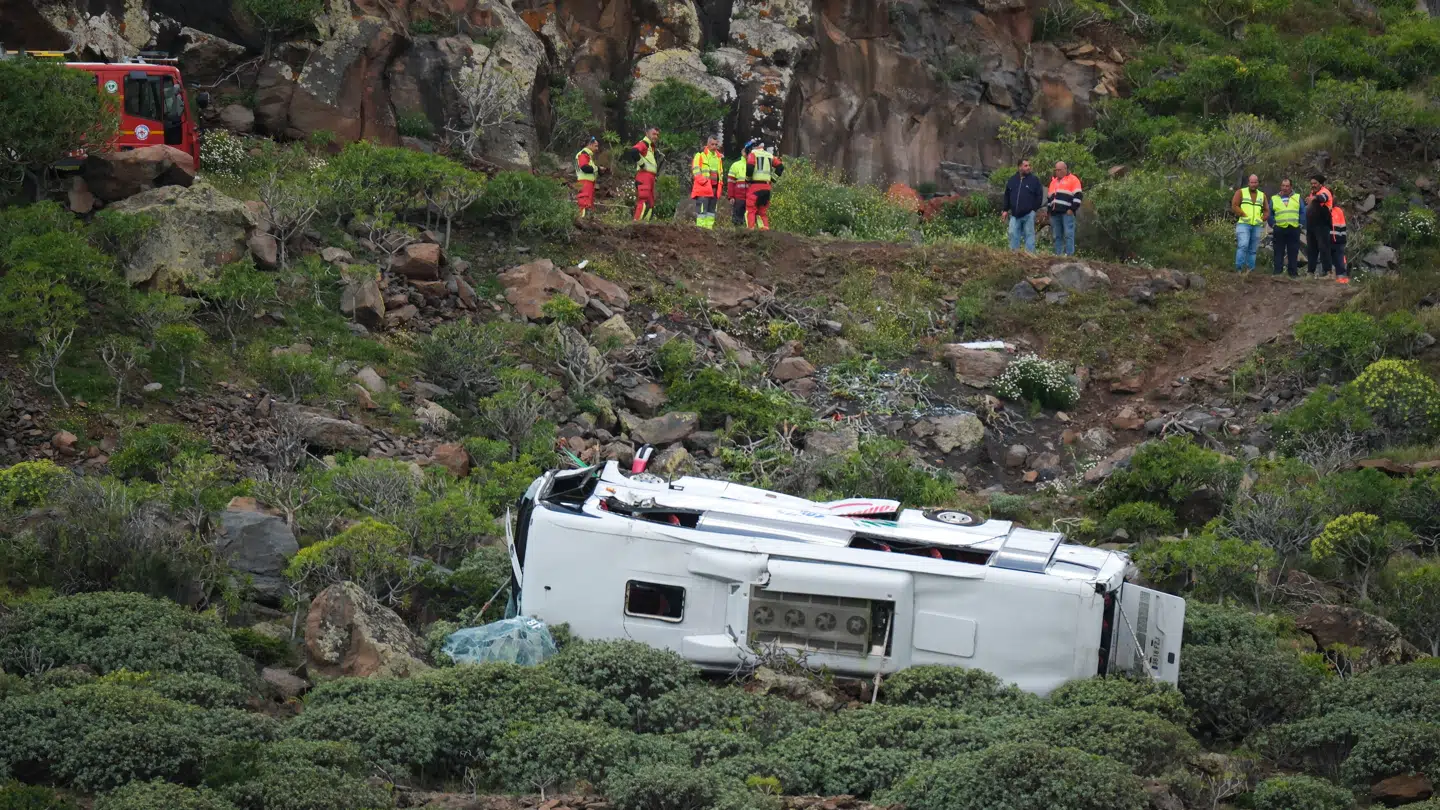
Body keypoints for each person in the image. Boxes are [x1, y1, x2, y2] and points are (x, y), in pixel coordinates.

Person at [1001, 158, 1044, 252]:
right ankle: (1014, 256)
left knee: (1029, 235)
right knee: (1012, 234)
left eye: (1029, 165)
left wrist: (1033, 210)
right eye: (1026, 166)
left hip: (1028, 214)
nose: (1028, 167)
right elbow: (1007, 195)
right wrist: (1005, 210)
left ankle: (1030, 257)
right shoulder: (1012, 180)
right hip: (1014, 215)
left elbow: (1039, 196)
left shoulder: (1034, 180)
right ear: (1020, 167)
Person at [1231, 174, 1269, 273]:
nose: (1253, 184)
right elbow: (1234, 205)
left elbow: (1266, 210)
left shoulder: (1262, 195)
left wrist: (1263, 218)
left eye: (1255, 182)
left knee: (1253, 249)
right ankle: (1239, 269)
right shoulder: (1241, 192)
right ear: (1248, 182)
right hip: (1244, 224)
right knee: (1243, 245)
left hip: (1257, 225)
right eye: (1252, 182)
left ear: (1258, 183)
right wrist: (1242, 214)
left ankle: (1250, 270)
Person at [1268, 178, 1305, 277]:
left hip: (1293, 228)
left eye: (1287, 186)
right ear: (1280, 186)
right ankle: (1277, 273)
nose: (1285, 188)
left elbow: (1302, 211)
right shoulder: (1274, 198)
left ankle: (1293, 273)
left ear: (1291, 187)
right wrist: (1273, 224)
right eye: (1283, 186)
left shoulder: (1297, 197)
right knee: (1278, 251)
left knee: (1293, 251)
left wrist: (1301, 224)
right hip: (1279, 228)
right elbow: (1269, 213)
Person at [624, 126, 661, 222]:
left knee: (650, 204)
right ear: (647, 134)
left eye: (657, 135)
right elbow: (633, 151)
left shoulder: (650, 147)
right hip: (644, 176)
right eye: (653, 134)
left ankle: (645, 227)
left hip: (650, 177)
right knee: (643, 201)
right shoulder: (644, 143)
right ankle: (636, 224)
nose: (656, 136)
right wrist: (642, 164)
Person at [745, 140, 784, 230]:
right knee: (762, 212)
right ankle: (765, 233)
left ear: (752, 147)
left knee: (750, 210)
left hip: (755, 186)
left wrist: (747, 179)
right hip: (767, 188)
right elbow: (781, 167)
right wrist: (773, 179)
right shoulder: (769, 155)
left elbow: (750, 167)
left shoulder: (753, 154)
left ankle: (750, 231)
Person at [1046, 161, 1082, 255]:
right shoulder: (1053, 182)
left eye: (1060, 170)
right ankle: (1058, 255)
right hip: (1055, 213)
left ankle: (1070, 255)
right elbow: (1049, 198)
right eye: (1056, 170)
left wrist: (1072, 209)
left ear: (1065, 169)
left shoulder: (1073, 179)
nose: (1058, 172)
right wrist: (1049, 211)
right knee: (1057, 235)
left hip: (1066, 212)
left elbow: (1078, 196)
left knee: (1068, 234)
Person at [689, 135, 724, 229]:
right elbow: (696, 170)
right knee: (702, 212)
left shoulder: (718, 157)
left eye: (716, 144)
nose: (714, 146)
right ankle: (700, 230)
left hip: (714, 189)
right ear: (707, 144)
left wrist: (719, 185)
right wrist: (704, 182)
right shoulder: (700, 155)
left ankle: (709, 230)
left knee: (711, 212)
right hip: (703, 188)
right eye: (712, 144)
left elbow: (720, 173)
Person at [1305, 173, 1335, 278]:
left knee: (1324, 248)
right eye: (1312, 183)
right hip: (1311, 225)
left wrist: (1314, 199)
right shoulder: (1312, 193)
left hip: (1322, 225)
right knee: (1311, 249)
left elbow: (1323, 198)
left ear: (1320, 184)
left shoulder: (1324, 192)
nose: (1313, 185)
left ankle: (1328, 272)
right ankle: (1310, 272)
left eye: (1315, 183)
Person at [727, 141, 754, 227]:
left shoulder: (754, 165)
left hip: (751, 197)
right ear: (743, 152)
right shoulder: (735, 165)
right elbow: (730, 182)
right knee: (737, 221)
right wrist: (731, 196)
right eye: (747, 151)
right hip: (738, 198)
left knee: (750, 221)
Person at [574, 135, 600, 218]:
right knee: (584, 204)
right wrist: (597, 169)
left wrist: (599, 170)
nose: (597, 148)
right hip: (584, 183)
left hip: (585, 183)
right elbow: (584, 167)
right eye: (596, 146)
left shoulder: (588, 156)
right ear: (590, 144)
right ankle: (582, 223)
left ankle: (586, 224)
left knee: (588, 204)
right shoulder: (583, 154)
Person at [1330, 201, 1349, 283]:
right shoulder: (1322, 210)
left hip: (1338, 240)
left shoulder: (1338, 210)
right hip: (1327, 240)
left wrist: (1343, 239)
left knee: (1340, 259)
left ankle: (1342, 278)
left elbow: (1343, 225)